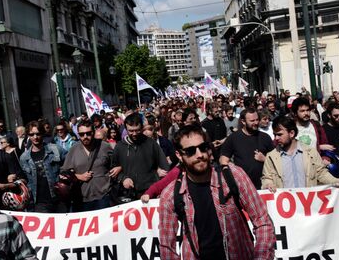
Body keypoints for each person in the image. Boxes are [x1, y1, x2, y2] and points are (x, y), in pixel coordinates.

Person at [158, 125, 276, 260]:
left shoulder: (233, 176)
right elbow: (167, 247)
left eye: (203, 147)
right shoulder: (170, 195)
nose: (199, 155)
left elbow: (262, 221)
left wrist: (262, 257)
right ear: (179, 155)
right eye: (190, 151)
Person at [262, 116, 339, 190]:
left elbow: (321, 173)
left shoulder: (311, 153)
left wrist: (336, 182)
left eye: (279, 134)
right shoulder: (271, 157)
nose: (276, 138)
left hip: (308, 204)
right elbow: (267, 178)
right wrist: (267, 184)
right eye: (274, 134)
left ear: (291, 133)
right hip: (285, 206)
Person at [61, 120, 115, 211]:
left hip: (104, 196)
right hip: (82, 199)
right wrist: (78, 176)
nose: (85, 137)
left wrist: (118, 167)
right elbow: (63, 172)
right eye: (81, 134)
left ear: (93, 132)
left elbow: (115, 163)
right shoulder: (73, 150)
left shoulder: (104, 146)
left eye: (88, 133)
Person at [113, 113, 169, 200]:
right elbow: (113, 169)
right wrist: (123, 178)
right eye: (131, 131)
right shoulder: (119, 146)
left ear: (142, 128)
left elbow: (164, 166)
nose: (134, 134)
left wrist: (159, 174)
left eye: (137, 130)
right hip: (129, 194)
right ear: (126, 129)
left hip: (150, 191)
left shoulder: (151, 143)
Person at [220, 108, 275, 189]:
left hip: (264, 186)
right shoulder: (233, 138)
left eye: (257, 120)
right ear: (243, 121)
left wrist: (265, 159)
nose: (256, 123)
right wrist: (232, 172)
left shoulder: (265, 137)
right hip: (243, 186)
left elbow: (276, 161)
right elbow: (223, 160)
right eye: (252, 121)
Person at [19, 121, 64, 213]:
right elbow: (25, 179)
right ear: (28, 136)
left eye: (38, 134)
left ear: (42, 134)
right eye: (32, 134)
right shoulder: (24, 157)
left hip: (59, 198)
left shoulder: (55, 149)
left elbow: (68, 165)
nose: (35, 137)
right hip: (40, 202)